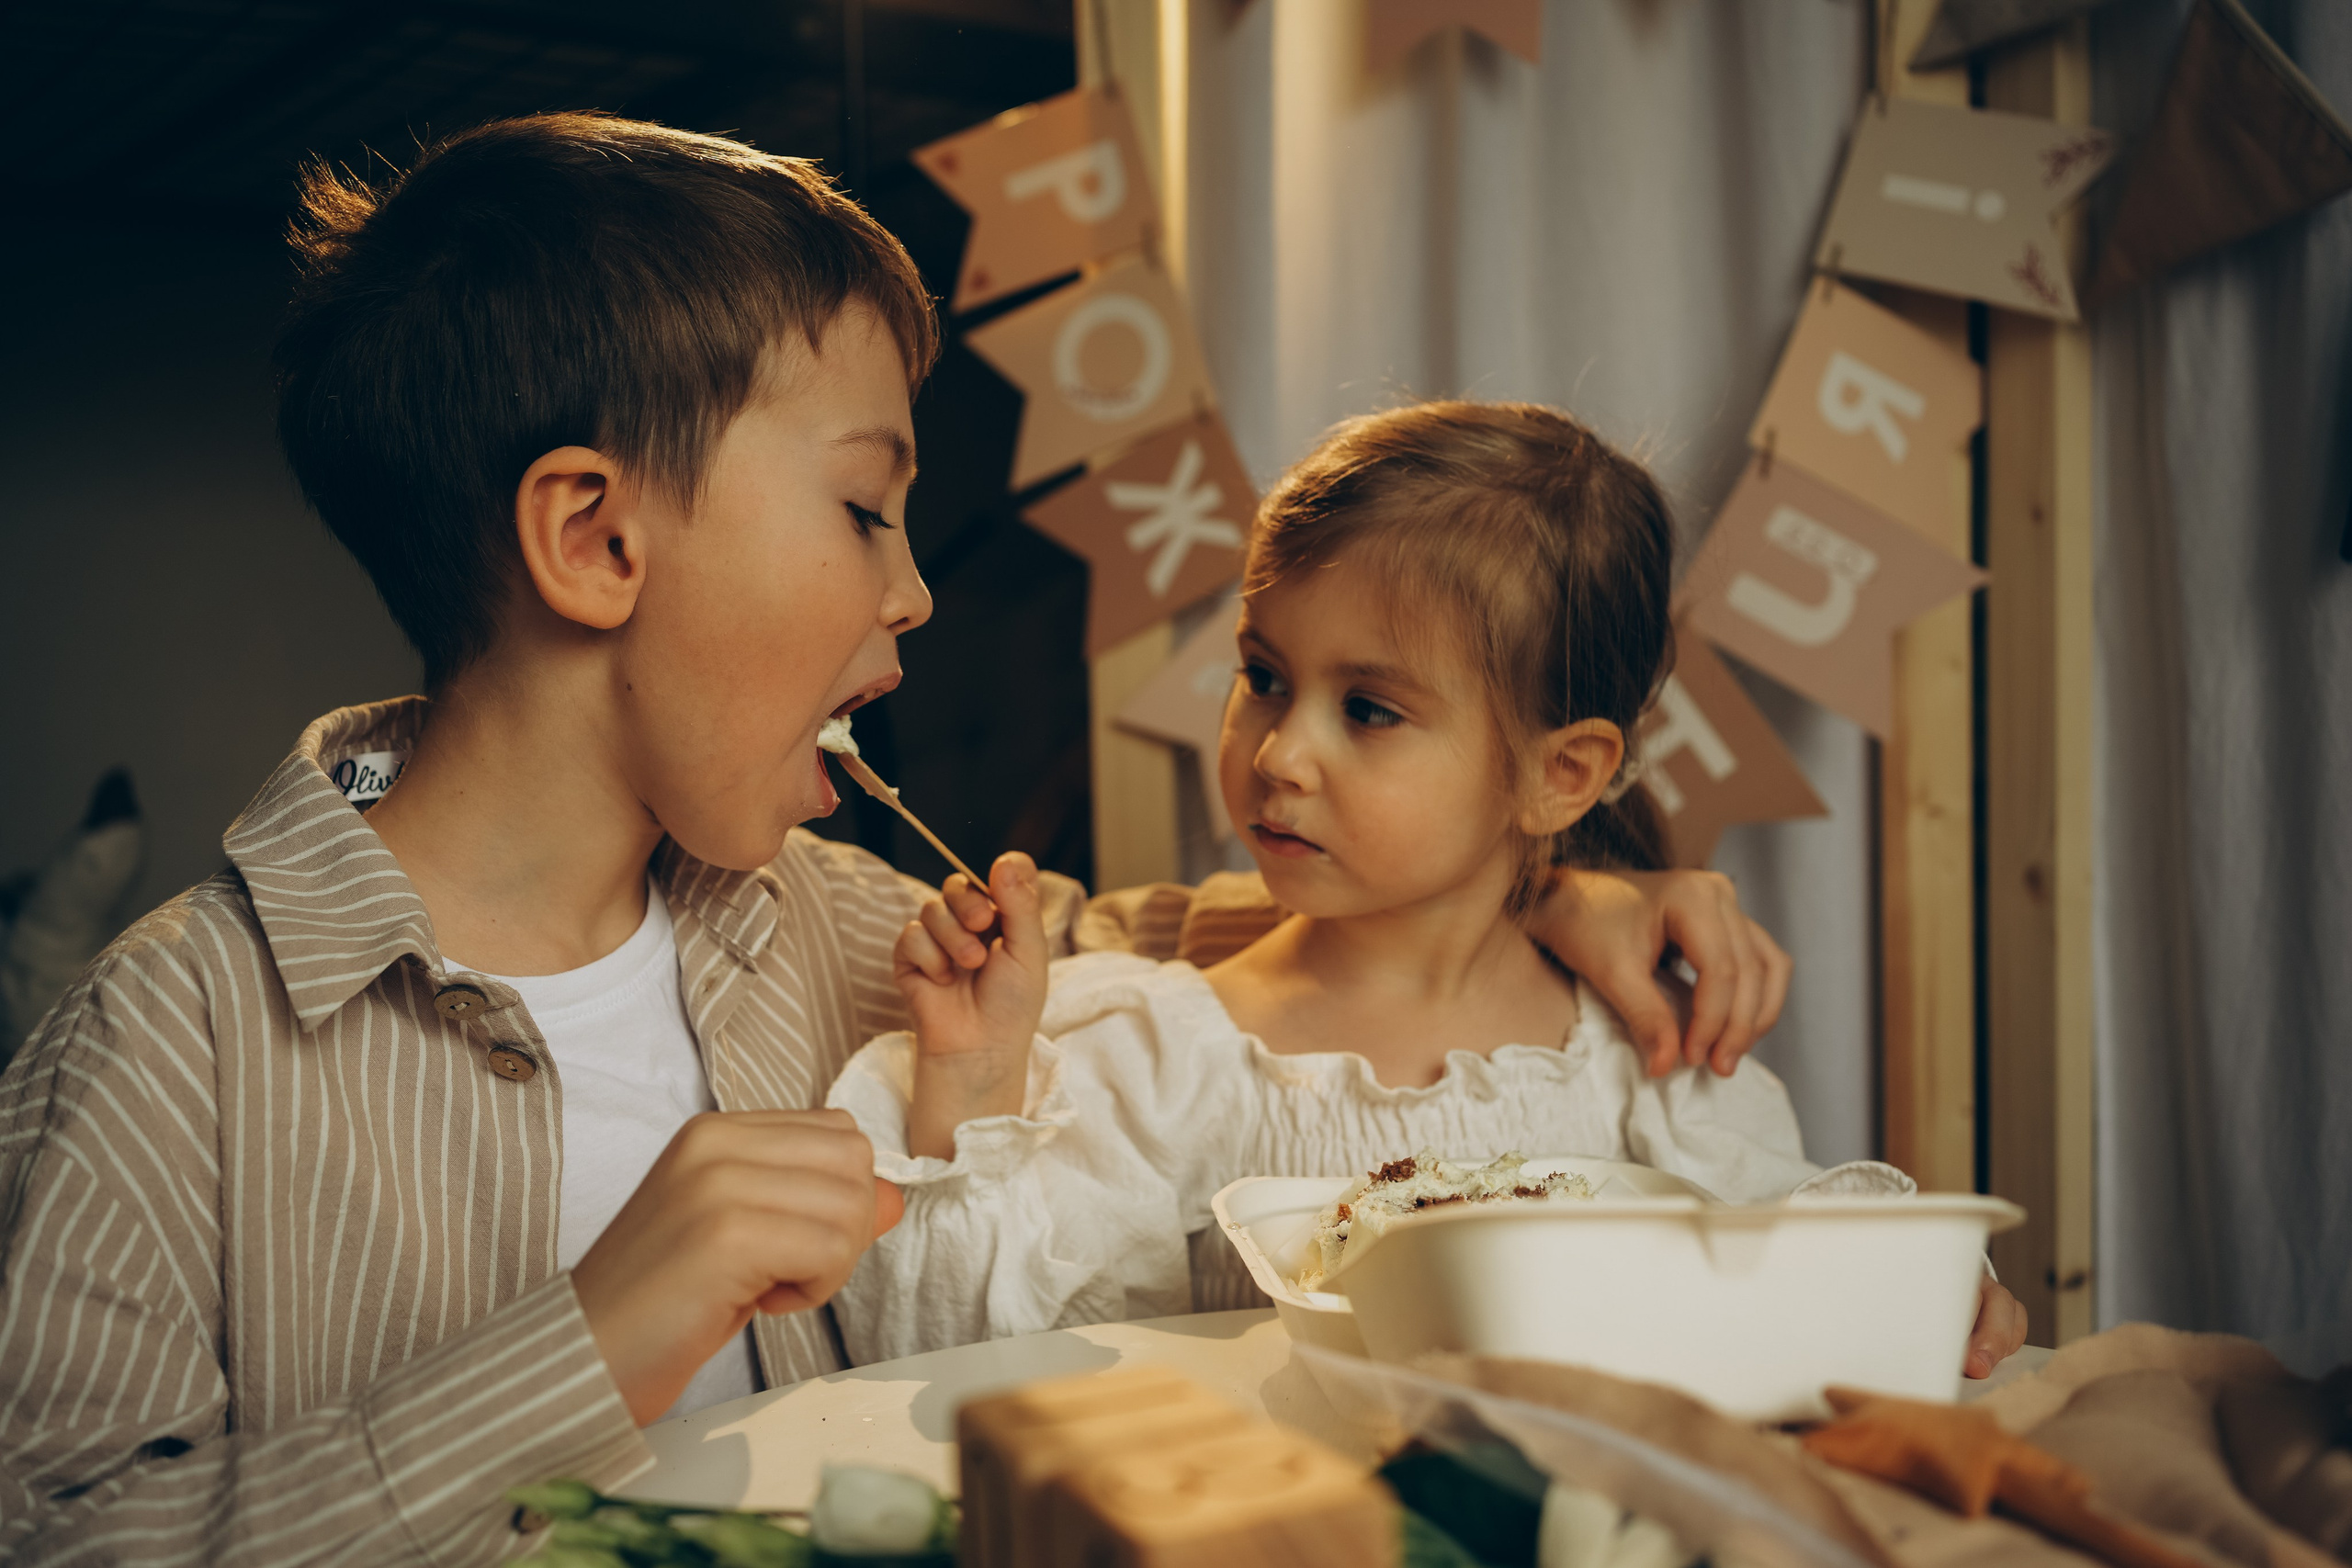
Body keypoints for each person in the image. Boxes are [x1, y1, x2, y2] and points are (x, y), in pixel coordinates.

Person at [0, 120, 1791, 1565]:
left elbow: (1239, 959)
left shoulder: (836, 920)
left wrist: (1565, 889)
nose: (916, 590)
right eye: (863, 506)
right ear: (594, 542)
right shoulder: (163, 1052)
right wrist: (591, 1333)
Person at [830, 401, 2030, 1377]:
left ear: (1561, 775)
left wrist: (1911, 1283)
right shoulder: (1153, 1054)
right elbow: (971, 1373)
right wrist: (976, 1087)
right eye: (1262, 676)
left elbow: (1779, 1283)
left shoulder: (1642, 1064)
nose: (1279, 754)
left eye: (1370, 709)